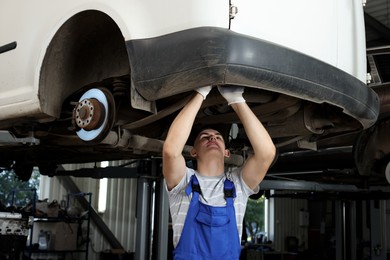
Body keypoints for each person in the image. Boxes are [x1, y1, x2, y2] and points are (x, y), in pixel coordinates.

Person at [162, 85, 276, 260]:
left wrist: (237, 100)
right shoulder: (183, 180)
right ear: (193, 151)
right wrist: (200, 93)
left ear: (226, 153)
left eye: (218, 137)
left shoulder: (238, 184)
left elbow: (266, 153)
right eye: (205, 137)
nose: (212, 138)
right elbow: (170, 150)